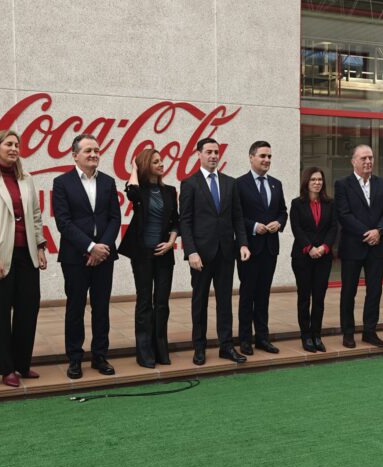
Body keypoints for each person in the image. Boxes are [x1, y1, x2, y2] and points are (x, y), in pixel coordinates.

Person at [0, 130, 48, 387]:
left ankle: (22, 364)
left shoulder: (26, 179)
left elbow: (35, 216)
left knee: (28, 310)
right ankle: (6, 369)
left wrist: (41, 247)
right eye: (9, 144)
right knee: (0, 314)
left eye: (17, 145)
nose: (14, 148)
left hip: (27, 255)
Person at [51, 133, 121, 379]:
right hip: (75, 257)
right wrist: (90, 247)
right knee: (75, 307)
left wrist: (102, 247)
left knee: (101, 307)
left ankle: (100, 356)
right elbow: (63, 222)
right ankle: (75, 358)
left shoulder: (108, 182)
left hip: (105, 256)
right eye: (88, 150)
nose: (94, 154)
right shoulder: (62, 183)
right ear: (74, 155)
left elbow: (115, 218)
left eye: (97, 150)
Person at [179, 137, 250, 365]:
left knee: (225, 301)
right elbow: (185, 222)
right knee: (199, 301)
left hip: (226, 253)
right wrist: (191, 252)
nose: (213, 156)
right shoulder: (189, 184)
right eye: (208, 151)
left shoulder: (230, 183)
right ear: (198, 154)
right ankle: (199, 347)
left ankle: (226, 346)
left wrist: (243, 243)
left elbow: (237, 217)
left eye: (216, 152)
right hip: (200, 254)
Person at [118, 149, 179, 368]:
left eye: (161, 160)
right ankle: (145, 354)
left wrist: (171, 242)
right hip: (142, 254)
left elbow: (175, 221)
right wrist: (134, 167)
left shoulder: (170, 191)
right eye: (156, 161)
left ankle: (161, 350)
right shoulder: (139, 191)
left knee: (162, 303)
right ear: (146, 166)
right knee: (144, 302)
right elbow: (131, 191)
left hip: (164, 253)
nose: (162, 164)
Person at [335, 144, 383, 349]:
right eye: (363, 158)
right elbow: (344, 214)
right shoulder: (342, 184)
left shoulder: (382, 183)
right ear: (353, 161)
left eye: (370, 158)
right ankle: (348, 332)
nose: (368, 162)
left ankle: (370, 331)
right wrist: (366, 233)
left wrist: (379, 231)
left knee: (375, 291)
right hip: (353, 246)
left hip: (377, 246)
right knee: (348, 291)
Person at [235, 141, 287, 355]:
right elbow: (236, 216)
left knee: (263, 295)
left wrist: (279, 223)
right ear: (251, 157)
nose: (267, 160)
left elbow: (283, 211)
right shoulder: (239, 184)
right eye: (263, 156)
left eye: (269, 157)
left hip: (270, 248)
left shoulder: (276, 183)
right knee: (248, 294)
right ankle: (245, 339)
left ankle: (262, 338)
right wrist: (255, 227)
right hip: (248, 248)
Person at [289, 167, 337, 352]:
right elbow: (297, 228)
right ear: (306, 182)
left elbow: (334, 228)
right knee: (304, 297)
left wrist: (325, 248)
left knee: (319, 298)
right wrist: (309, 248)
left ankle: (317, 335)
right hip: (303, 257)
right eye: (313, 179)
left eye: (319, 179)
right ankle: (306, 335)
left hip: (323, 258)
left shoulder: (330, 204)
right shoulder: (297, 203)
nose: (317, 182)